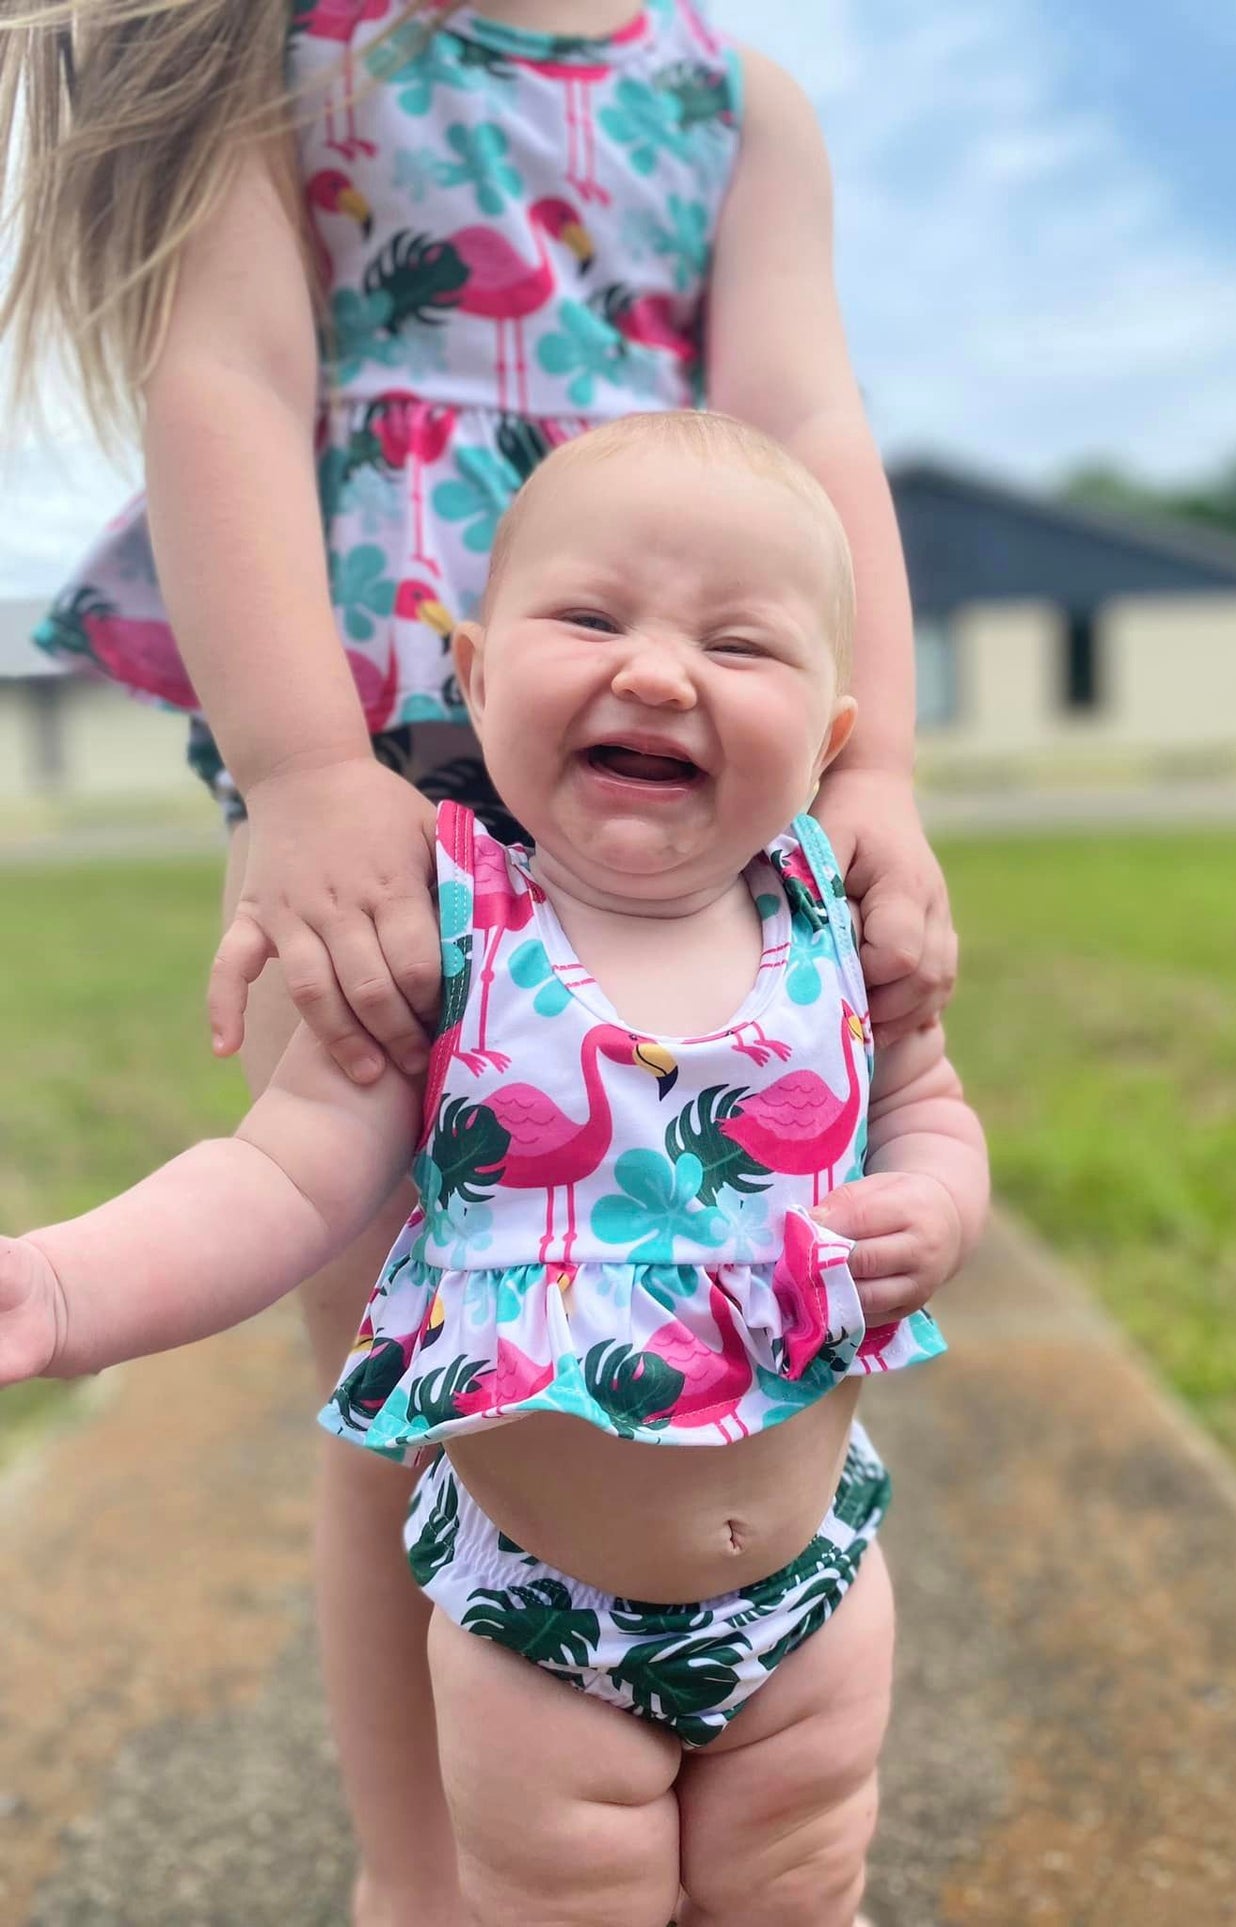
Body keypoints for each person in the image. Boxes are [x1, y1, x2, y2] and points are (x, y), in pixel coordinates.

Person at [1, 5, 958, 1918]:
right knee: (395, 1356)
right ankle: (428, 1885)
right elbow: (226, 374)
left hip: (691, 737)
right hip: (371, 749)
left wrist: (891, 769)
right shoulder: (282, 48)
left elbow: (806, 418)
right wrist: (297, 772)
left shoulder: (730, 97)